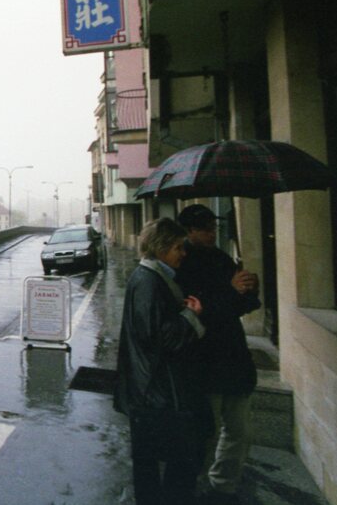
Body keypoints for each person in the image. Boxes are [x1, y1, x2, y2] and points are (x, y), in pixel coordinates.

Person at [115, 218, 212, 505]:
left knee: (151, 461)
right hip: (156, 388)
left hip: (149, 386)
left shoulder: (152, 278)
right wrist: (192, 316)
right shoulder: (149, 281)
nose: (183, 253)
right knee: (173, 459)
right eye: (178, 247)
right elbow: (161, 338)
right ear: (161, 248)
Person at [175, 204, 261, 505]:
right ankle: (195, 485)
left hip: (234, 357)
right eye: (205, 228)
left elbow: (244, 306)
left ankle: (224, 485)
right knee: (206, 430)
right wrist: (231, 291)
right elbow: (198, 312)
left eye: (213, 226)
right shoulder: (181, 264)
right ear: (188, 231)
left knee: (240, 429)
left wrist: (249, 288)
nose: (212, 232)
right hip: (204, 359)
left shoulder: (222, 258)